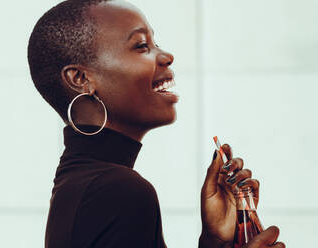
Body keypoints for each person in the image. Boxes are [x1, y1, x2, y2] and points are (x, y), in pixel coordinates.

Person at [27, 0, 285, 247]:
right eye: (141, 46)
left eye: (155, 42)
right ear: (81, 78)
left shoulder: (83, 183)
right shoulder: (119, 191)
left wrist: (215, 241)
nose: (167, 56)